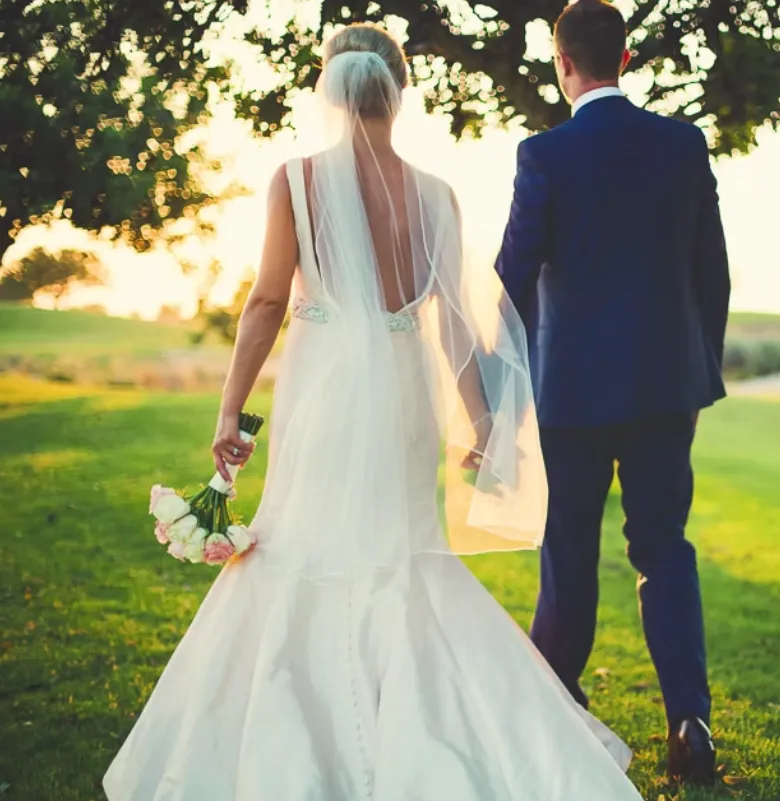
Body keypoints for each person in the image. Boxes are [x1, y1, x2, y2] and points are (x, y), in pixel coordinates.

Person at [103, 23, 644, 801]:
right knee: (399, 552)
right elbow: (453, 316)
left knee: (304, 546)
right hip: (401, 396)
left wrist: (231, 409)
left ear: (329, 88)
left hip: (323, 390)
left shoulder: (295, 180)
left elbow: (264, 302)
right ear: (399, 90)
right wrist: (481, 420)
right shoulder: (435, 194)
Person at [494, 0, 731, 785]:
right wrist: (700, 368)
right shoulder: (683, 144)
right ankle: (689, 722)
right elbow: (713, 273)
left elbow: (511, 279)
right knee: (664, 547)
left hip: (570, 397)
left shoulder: (545, 155)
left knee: (569, 552)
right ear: (624, 59)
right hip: (668, 389)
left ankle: (555, 705)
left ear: (563, 64)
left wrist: (515, 374)